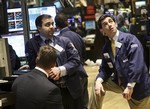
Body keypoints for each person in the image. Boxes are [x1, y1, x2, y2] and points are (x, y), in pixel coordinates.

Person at [88, 14, 150, 109]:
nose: (109, 25)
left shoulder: (130, 40)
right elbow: (105, 69)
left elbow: (137, 64)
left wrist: (130, 86)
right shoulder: (106, 47)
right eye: (105, 24)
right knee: (98, 83)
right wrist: (99, 81)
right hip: (121, 82)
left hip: (137, 87)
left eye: (111, 21)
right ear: (102, 30)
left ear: (116, 24)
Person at [25, 14, 86, 109]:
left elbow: (76, 60)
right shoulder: (32, 44)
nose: (51, 27)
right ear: (39, 28)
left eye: (52, 24)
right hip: (49, 91)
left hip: (70, 89)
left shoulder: (64, 41)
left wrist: (60, 70)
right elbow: (34, 65)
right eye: (47, 24)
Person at [55, 13, 88, 109]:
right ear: (67, 22)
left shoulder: (59, 40)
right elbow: (84, 54)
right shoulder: (77, 35)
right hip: (82, 73)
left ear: (56, 25)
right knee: (84, 105)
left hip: (71, 78)